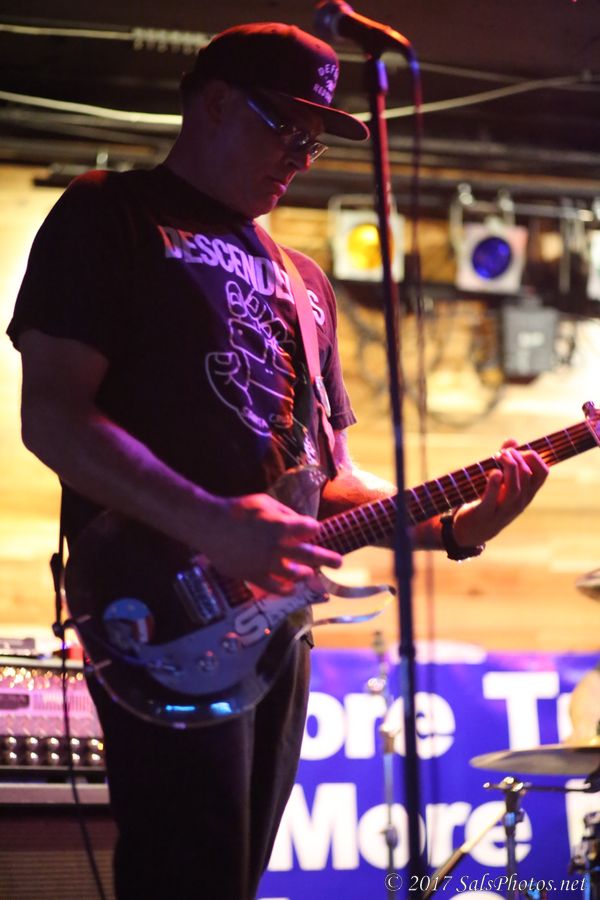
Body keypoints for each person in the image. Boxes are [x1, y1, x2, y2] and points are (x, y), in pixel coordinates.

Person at [7, 21, 549, 900]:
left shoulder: (305, 281)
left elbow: (324, 481)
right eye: (285, 127)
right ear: (216, 103)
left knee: (235, 871)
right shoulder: (113, 212)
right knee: (188, 869)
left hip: (268, 624)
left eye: (314, 140)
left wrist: (457, 523)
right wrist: (215, 523)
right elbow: (54, 420)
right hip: (159, 604)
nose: (301, 156)